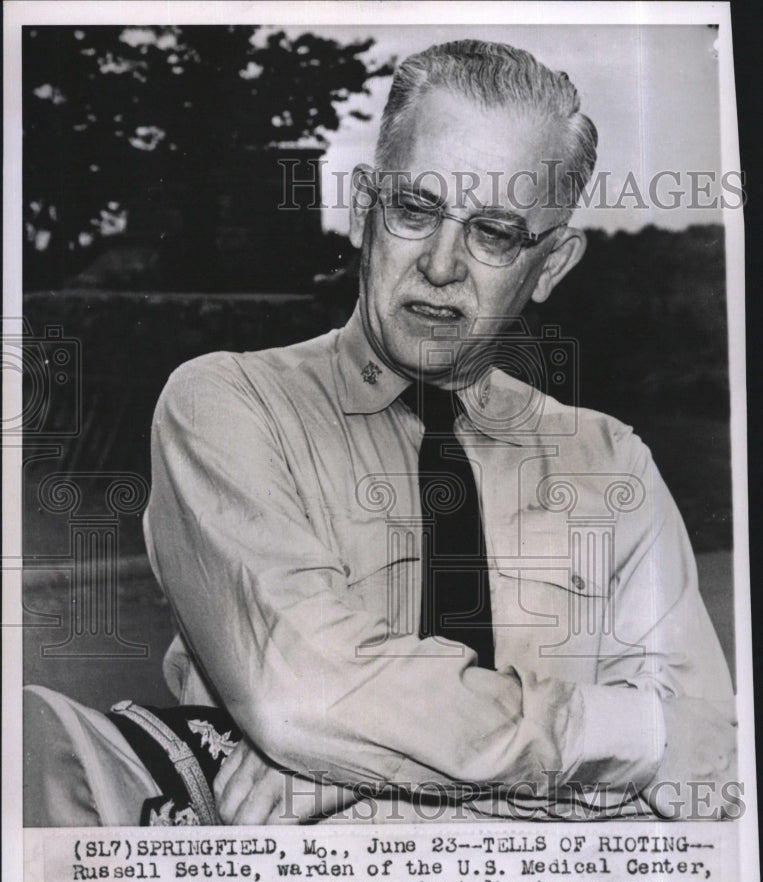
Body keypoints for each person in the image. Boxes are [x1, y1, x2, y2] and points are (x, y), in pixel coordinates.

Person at [24, 39, 736, 826]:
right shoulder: (228, 404)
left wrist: (370, 759)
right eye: (414, 208)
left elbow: (704, 760)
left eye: (493, 232)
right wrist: (612, 737)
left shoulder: (612, 467)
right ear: (366, 207)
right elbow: (304, 696)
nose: (439, 264)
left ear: (551, 265)